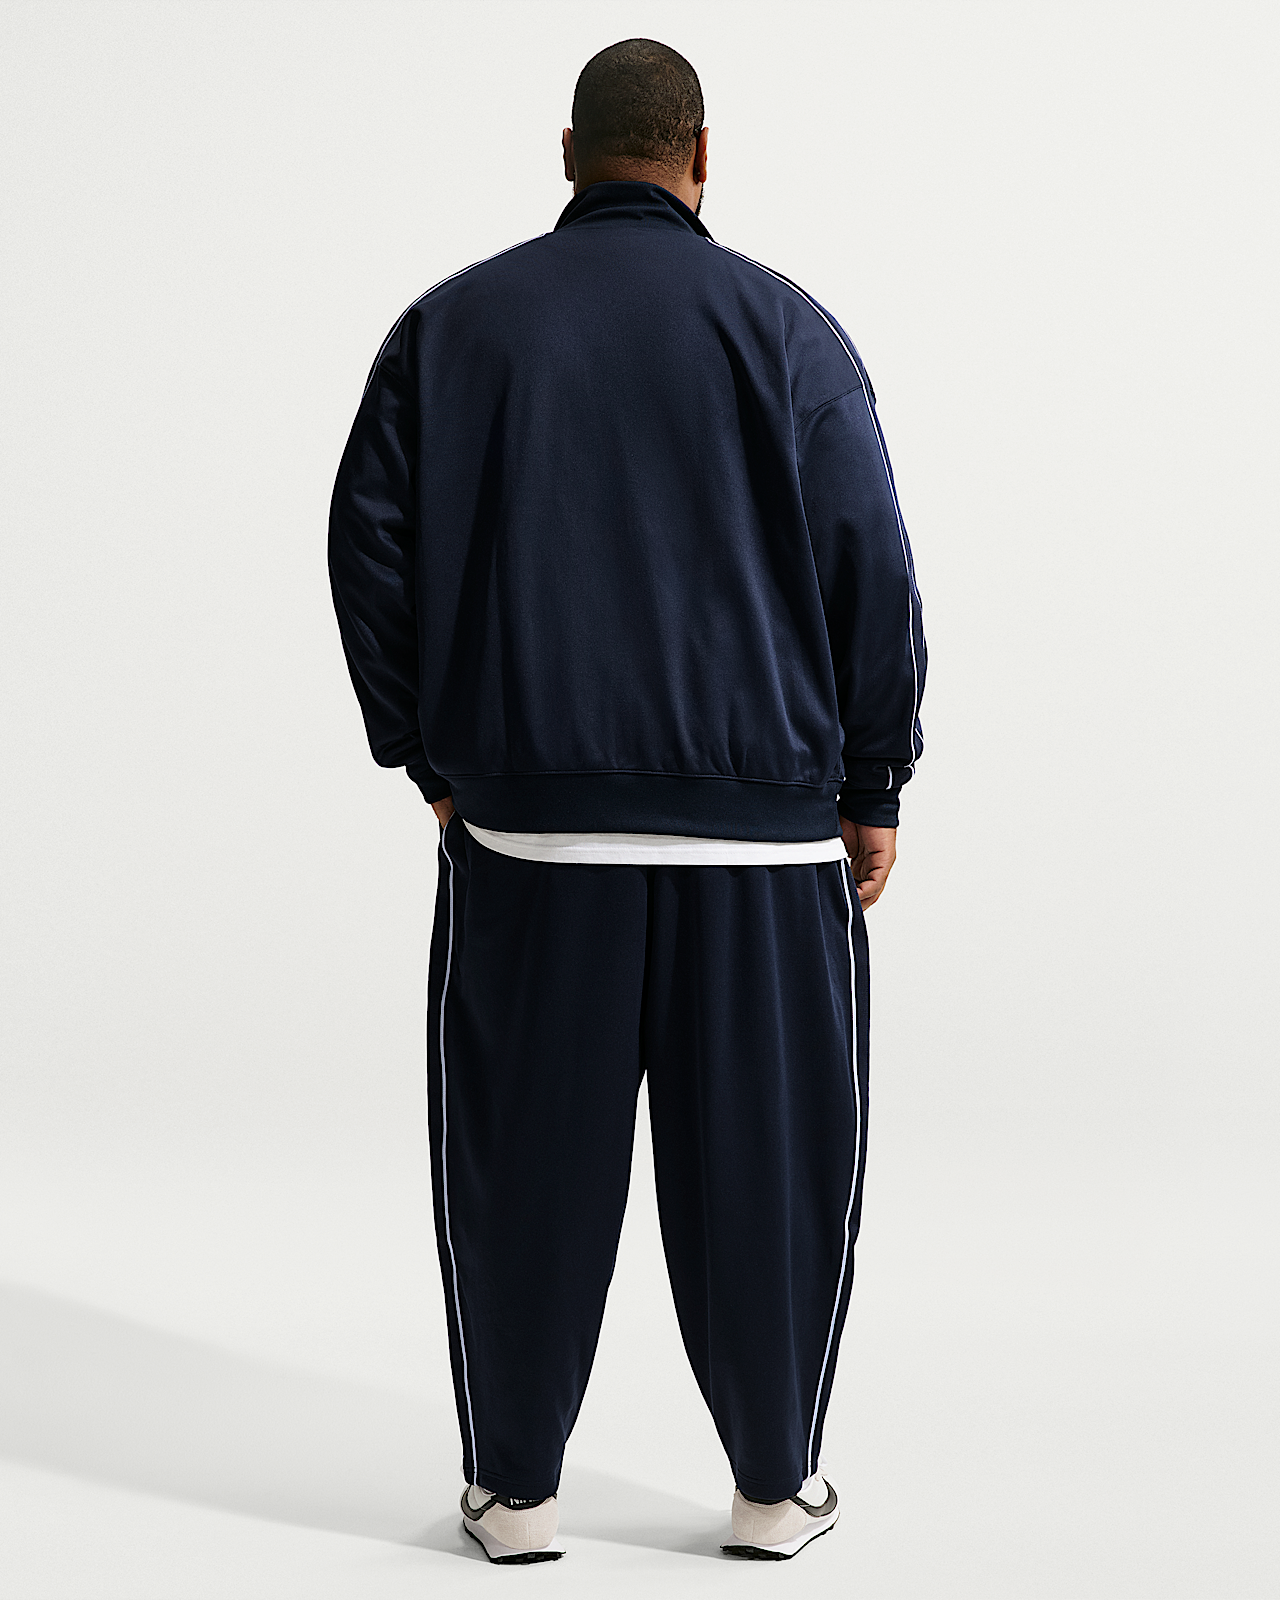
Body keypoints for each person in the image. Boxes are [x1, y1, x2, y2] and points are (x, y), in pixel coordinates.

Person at [329, 37, 924, 1565]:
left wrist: (431, 759)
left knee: (521, 1170)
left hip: (533, 836)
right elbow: (869, 561)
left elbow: (367, 548)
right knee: (772, 1179)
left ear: (569, 152)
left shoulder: (452, 327)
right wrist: (873, 779)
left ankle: (516, 1495)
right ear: (701, 155)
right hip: (767, 845)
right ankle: (773, 1491)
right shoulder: (788, 332)